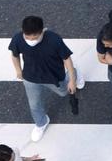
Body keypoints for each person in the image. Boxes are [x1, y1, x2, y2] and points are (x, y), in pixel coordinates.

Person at [10, 15, 84, 143]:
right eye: (27, 37)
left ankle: (75, 73)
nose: (31, 40)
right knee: (34, 104)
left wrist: (72, 80)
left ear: (42, 31)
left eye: (34, 37)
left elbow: (66, 58)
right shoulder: (18, 38)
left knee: (63, 92)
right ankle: (41, 123)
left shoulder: (54, 39)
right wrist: (18, 70)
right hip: (30, 77)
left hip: (54, 76)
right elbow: (14, 54)